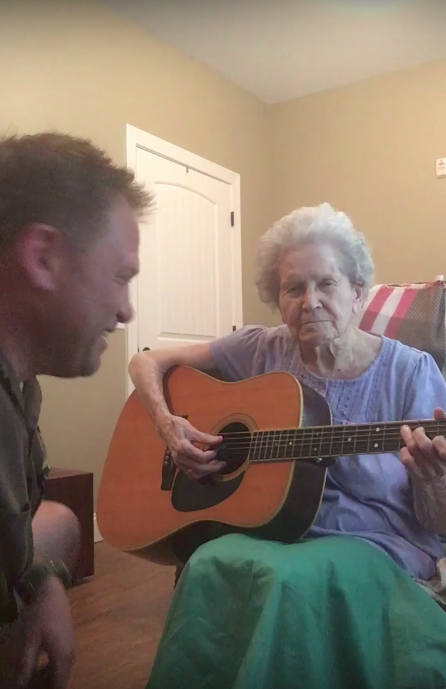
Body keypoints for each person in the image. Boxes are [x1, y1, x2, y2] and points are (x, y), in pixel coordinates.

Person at [130, 203, 446, 689]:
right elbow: (145, 362)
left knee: (287, 582)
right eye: (293, 288)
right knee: (208, 564)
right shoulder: (260, 348)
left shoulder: (411, 371)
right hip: (273, 528)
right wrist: (167, 424)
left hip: (373, 540)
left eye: (326, 284)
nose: (309, 301)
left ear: (357, 292)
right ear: (277, 299)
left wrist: (434, 482)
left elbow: (437, 521)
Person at [0, 132, 151, 689]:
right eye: (121, 276)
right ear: (42, 257)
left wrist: (41, 580)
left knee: (60, 522)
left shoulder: (21, 387)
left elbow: (36, 525)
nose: (127, 310)